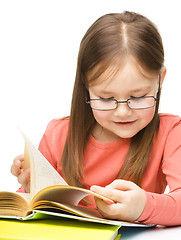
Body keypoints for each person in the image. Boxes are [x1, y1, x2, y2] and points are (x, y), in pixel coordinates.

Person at [11, 11, 181, 226]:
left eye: (138, 97)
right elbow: (28, 209)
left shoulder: (170, 132)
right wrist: (29, 186)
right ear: (86, 85)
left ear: (160, 79)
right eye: (106, 98)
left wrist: (143, 207)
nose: (122, 112)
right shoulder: (58, 134)